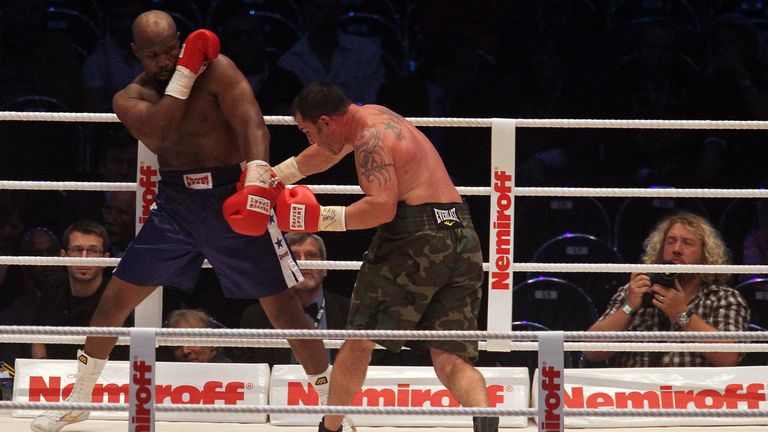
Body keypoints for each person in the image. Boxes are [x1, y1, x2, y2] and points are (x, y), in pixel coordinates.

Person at [31, 11, 331, 432]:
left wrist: (259, 176)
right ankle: (79, 399)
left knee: (285, 311)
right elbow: (160, 132)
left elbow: (251, 122)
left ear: (181, 41)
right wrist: (185, 74)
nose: (166, 60)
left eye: (173, 50)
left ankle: (333, 410)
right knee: (112, 304)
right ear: (136, 53)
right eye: (154, 55)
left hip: (231, 195)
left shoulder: (220, 69)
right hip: (175, 206)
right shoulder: (128, 98)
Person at [269, 82, 497, 432]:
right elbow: (327, 152)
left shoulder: (369, 140)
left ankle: (329, 429)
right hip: (461, 231)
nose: (308, 140)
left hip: (415, 235)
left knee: (359, 339)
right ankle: (485, 419)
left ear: (326, 121)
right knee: (449, 354)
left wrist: (316, 219)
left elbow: (381, 208)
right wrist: (278, 176)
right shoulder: (374, 117)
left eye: (307, 131)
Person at [584, 211, 750, 368]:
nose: (676, 249)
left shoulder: (724, 298)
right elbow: (591, 351)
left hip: (692, 394)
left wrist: (681, 315)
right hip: (634, 394)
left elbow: (729, 357)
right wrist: (629, 307)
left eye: (687, 243)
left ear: (705, 255)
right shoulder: (635, 289)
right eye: (670, 241)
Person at [240, 233, 350, 366]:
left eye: (311, 255)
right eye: (294, 257)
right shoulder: (256, 315)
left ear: (325, 267)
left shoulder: (348, 311)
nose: (303, 263)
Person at [30, 220, 129, 360]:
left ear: (106, 259)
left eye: (93, 251)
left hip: (102, 376)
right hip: (54, 375)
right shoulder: (54, 285)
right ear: (63, 256)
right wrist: (44, 370)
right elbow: (37, 338)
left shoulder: (114, 296)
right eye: (77, 250)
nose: (84, 258)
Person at [278, 0, 385, 105]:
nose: (326, 15)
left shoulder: (366, 51)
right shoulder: (289, 62)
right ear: (308, 12)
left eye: (332, 9)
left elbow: (372, 99)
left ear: (340, 11)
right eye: (320, 8)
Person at [165, 309, 231, 363]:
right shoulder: (165, 374)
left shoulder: (233, 374)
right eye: (177, 345)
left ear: (213, 342)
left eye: (192, 342)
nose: (185, 351)